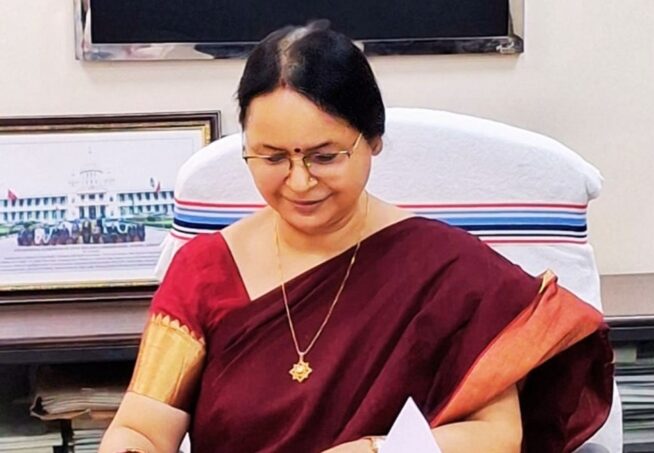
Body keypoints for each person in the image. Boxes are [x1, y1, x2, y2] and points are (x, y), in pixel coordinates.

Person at [100, 21, 613, 453]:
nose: (299, 182)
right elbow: (143, 426)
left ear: (373, 140)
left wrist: (376, 451)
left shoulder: (450, 271)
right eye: (272, 157)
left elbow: (495, 436)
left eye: (324, 157)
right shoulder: (204, 271)